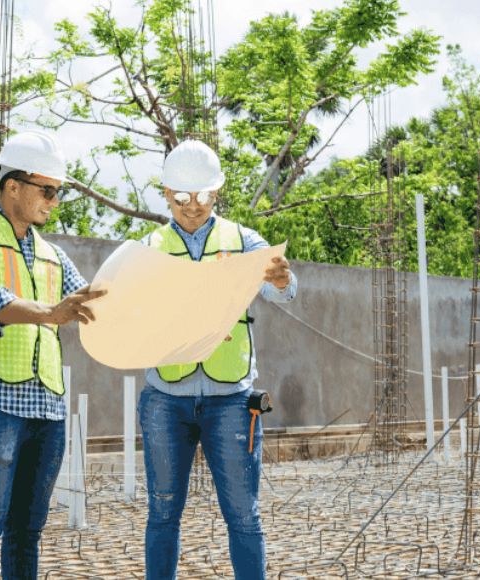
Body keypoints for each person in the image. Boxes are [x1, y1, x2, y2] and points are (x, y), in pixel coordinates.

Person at [0, 131, 106, 580]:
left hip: (47, 410)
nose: (54, 201)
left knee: (26, 532)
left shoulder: (53, 254)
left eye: (58, 192)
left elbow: (92, 301)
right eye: (47, 190)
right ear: (13, 185)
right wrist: (50, 313)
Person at [139, 139, 296, 580]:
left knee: (244, 515)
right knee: (163, 514)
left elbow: (284, 288)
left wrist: (282, 278)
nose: (193, 207)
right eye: (183, 197)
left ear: (218, 192)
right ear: (167, 193)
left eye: (204, 196)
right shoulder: (148, 245)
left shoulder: (243, 240)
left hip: (230, 397)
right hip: (166, 396)